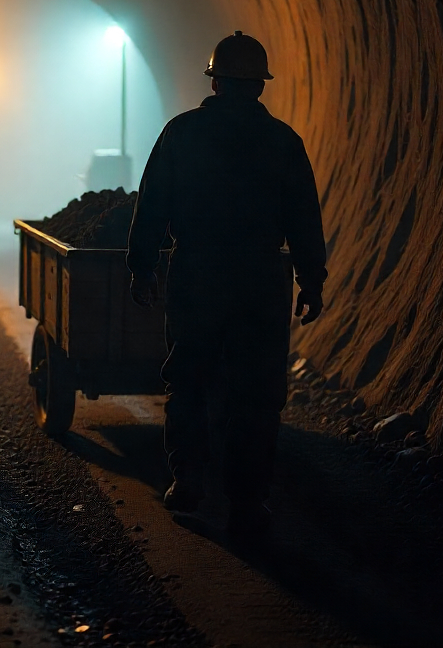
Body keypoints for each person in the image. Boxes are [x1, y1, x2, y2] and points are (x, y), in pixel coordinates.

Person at [126, 31, 327, 537]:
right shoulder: (283, 141)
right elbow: (304, 217)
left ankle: (188, 480)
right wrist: (311, 280)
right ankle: (246, 501)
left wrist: (142, 266)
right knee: (255, 393)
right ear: (260, 85)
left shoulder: (182, 133)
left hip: (197, 272)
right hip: (259, 278)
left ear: (214, 81)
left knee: (189, 380)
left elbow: (151, 204)